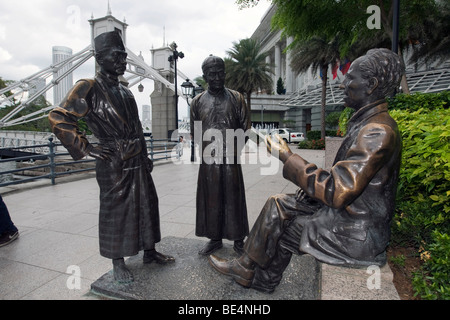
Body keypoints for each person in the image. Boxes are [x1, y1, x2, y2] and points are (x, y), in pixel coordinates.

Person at [208, 48, 404, 293]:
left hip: (355, 233)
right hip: (347, 215)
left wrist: (286, 156)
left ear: (372, 85)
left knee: (284, 227)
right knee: (278, 203)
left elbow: (337, 190)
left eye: (350, 77)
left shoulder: (377, 131)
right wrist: (310, 192)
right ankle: (249, 269)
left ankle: (257, 275)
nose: (343, 84)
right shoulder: (367, 123)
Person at [48, 30, 174, 283]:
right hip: (112, 162)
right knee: (116, 211)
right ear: (99, 58)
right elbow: (58, 117)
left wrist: (146, 154)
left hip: (136, 158)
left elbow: (137, 126)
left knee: (147, 204)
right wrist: (86, 147)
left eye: (124, 56)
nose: (122, 61)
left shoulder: (126, 91)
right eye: (116, 56)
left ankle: (149, 251)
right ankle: (118, 262)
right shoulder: (88, 87)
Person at [190, 55, 251, 256]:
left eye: (220, 73)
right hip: (209, 160)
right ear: (205, 76)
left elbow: (245, 127)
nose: (217, 77)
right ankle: (214, 239)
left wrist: (233, 150)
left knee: (234, 199)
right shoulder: (197, 102)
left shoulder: (237, 98)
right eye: (212, 74)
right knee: (212, 200)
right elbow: (196, 132)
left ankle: (238, 240)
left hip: (231, 158)